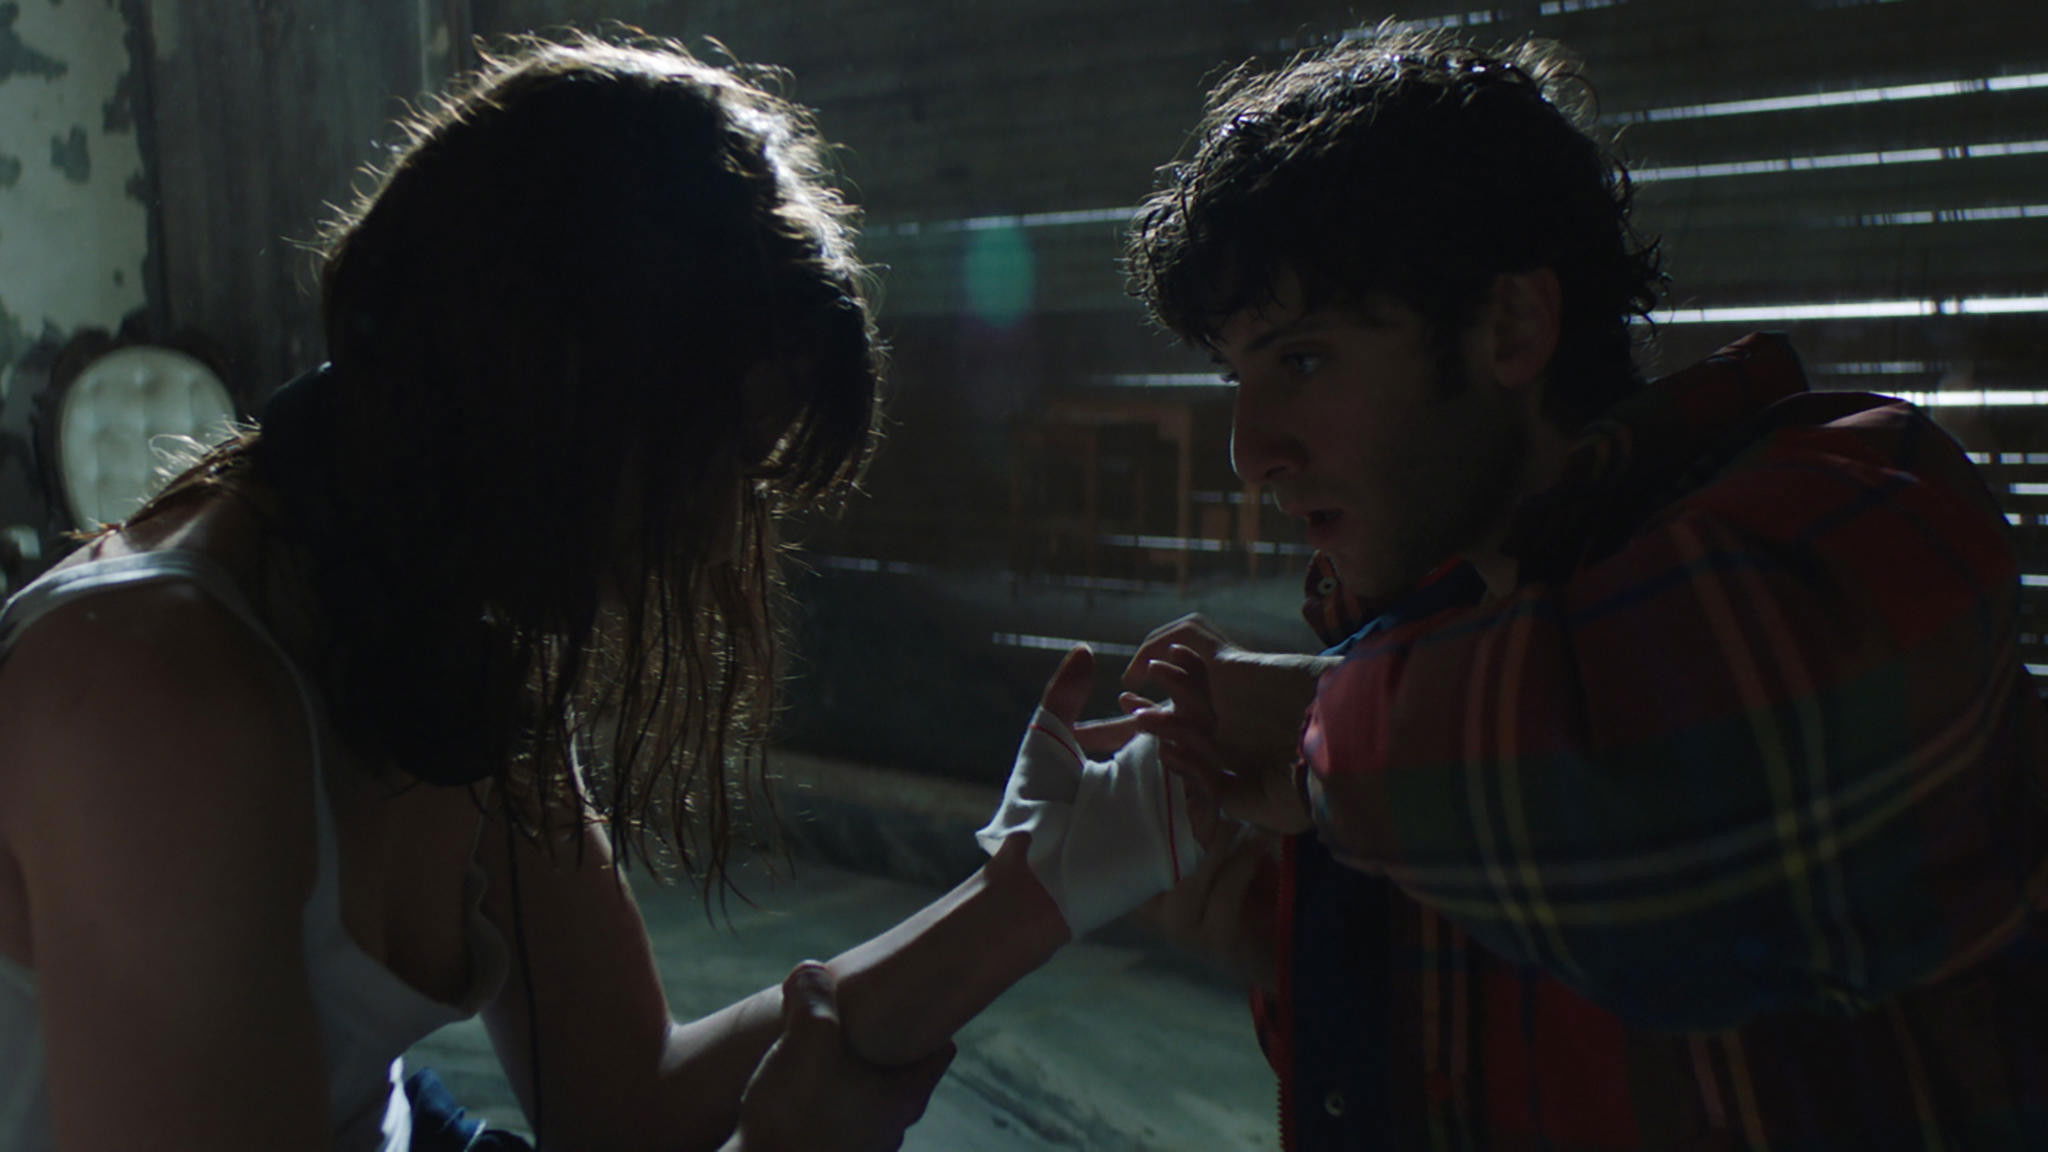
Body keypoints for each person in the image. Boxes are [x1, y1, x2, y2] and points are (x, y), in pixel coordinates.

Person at [0, 32, 1200, 1152]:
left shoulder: (448, 623)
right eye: (708, 468)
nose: (712, 535)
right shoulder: (145, 697)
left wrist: (1045, 883)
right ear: (543, 400)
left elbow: (624, 1100)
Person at [1100, 26, 2048, 1150]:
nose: (1248, 452)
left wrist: (1309, 728)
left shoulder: (1867, 515)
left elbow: (1653, 778)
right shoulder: (1416, 696)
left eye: (1301, 359)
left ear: (1509, 327)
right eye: (1236, 375)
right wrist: (1306, 950)